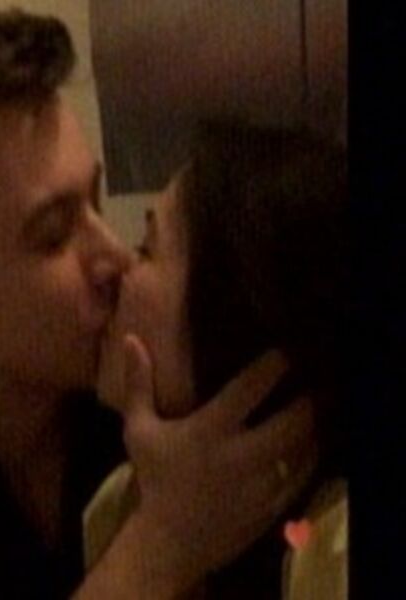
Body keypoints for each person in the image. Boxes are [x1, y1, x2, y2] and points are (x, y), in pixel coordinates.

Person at [0, 10, 316, 599]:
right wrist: (162, 543)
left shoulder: (143, 388)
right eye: (53, 234)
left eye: (95, 200)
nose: (115, 254)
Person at [87, 121, 349, 599]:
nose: (115, 264)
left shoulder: (335, 555)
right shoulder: (117, 507)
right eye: (48, 237)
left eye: (147, 248)